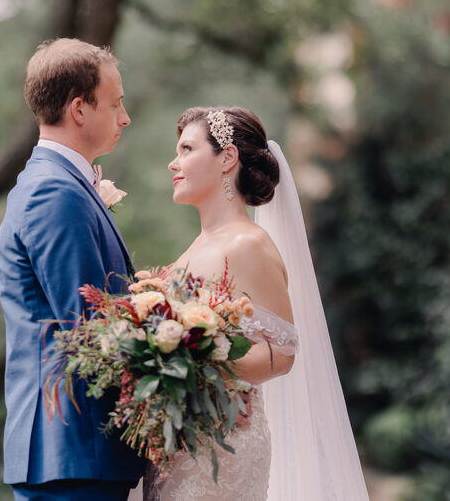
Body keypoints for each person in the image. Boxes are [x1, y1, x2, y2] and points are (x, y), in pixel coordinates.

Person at [142, 106, 369, 501]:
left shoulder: (247, 244)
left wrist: (197, 362)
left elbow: (282, 353)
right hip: (179, 443)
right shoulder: (194, 247)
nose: (172, 163)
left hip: (224, 448)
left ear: (226, 158)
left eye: (186, 149)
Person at [0, 38, 146, 501]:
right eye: (116, 103)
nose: (125, 117)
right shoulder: (54, 192)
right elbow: (92, 328)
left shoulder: (57, 184)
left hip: (76, 456)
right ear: (79, 109)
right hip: (71, 453)